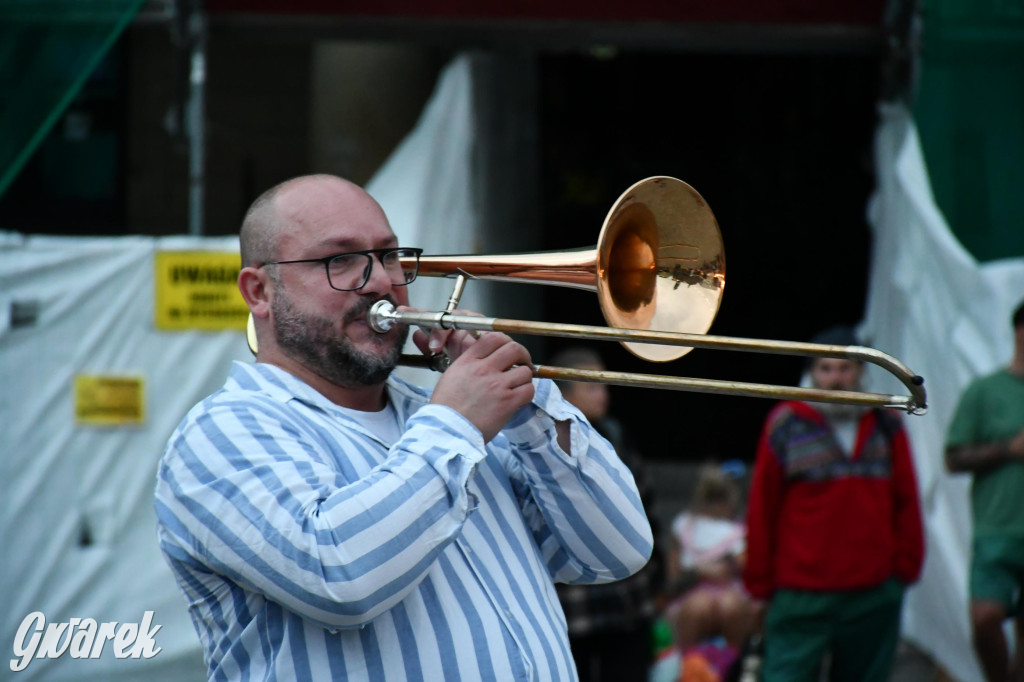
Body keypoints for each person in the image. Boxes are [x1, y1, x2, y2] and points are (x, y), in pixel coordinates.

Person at [153, 174, 654, 681]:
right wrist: (457, 422)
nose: (378, 281)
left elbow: (616, 551)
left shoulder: (460, 419)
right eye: (340, 260)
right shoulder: (222, 433)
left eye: (388, 256)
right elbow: (339, 576)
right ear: (259, 291)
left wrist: (523, 398)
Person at [742, 324, 925, 682]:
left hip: (871, 592)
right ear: (812, 373)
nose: (836, 379)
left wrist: (904, 569)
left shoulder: (886, 423)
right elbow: (762, 509)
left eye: (845, 368)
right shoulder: (786, 424)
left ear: (860, 371)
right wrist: (759, 587)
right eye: (826, 369)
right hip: (800, 594)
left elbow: (907, 499)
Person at [549, 345, 659, 682]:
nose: (604, 395)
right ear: (564, 391)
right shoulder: (538, 441)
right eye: (593, 385)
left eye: (604, 384)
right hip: (572, 603)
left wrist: (655, 575)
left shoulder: (615, 436)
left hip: (624, 600)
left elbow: (645, 505)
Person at [945, 299, 1024, 682]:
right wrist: (1008, 449)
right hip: (997, 528)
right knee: (985, 619)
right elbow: (953, 457)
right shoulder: (984, 391)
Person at [666, 463, 753, 668]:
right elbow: (673, 578)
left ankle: (733, 668)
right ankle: (689, 670)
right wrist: (700, 571)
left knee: (731, 605)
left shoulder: (737, 531)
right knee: (698, 606)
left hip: (730, 593)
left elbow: (745, 566)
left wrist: (729, 565)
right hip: (691, 594)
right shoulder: (684, 526)